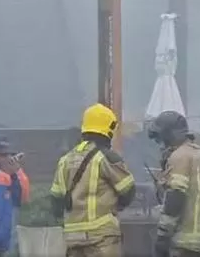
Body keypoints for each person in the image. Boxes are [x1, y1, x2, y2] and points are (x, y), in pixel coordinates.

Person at [50, 103, 136, 257]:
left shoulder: (65, 160)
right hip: (102, 238)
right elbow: (128, 191)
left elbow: (56, 201)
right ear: (108, 130)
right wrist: (116, 207)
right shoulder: (107, 157)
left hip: (72, 238)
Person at [148, 111, 200, 257]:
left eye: (160, 139)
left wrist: (163, 236)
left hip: (184, 242)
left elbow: (175, 198)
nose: (160, 145)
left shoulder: (179, 156)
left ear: (168, 135)